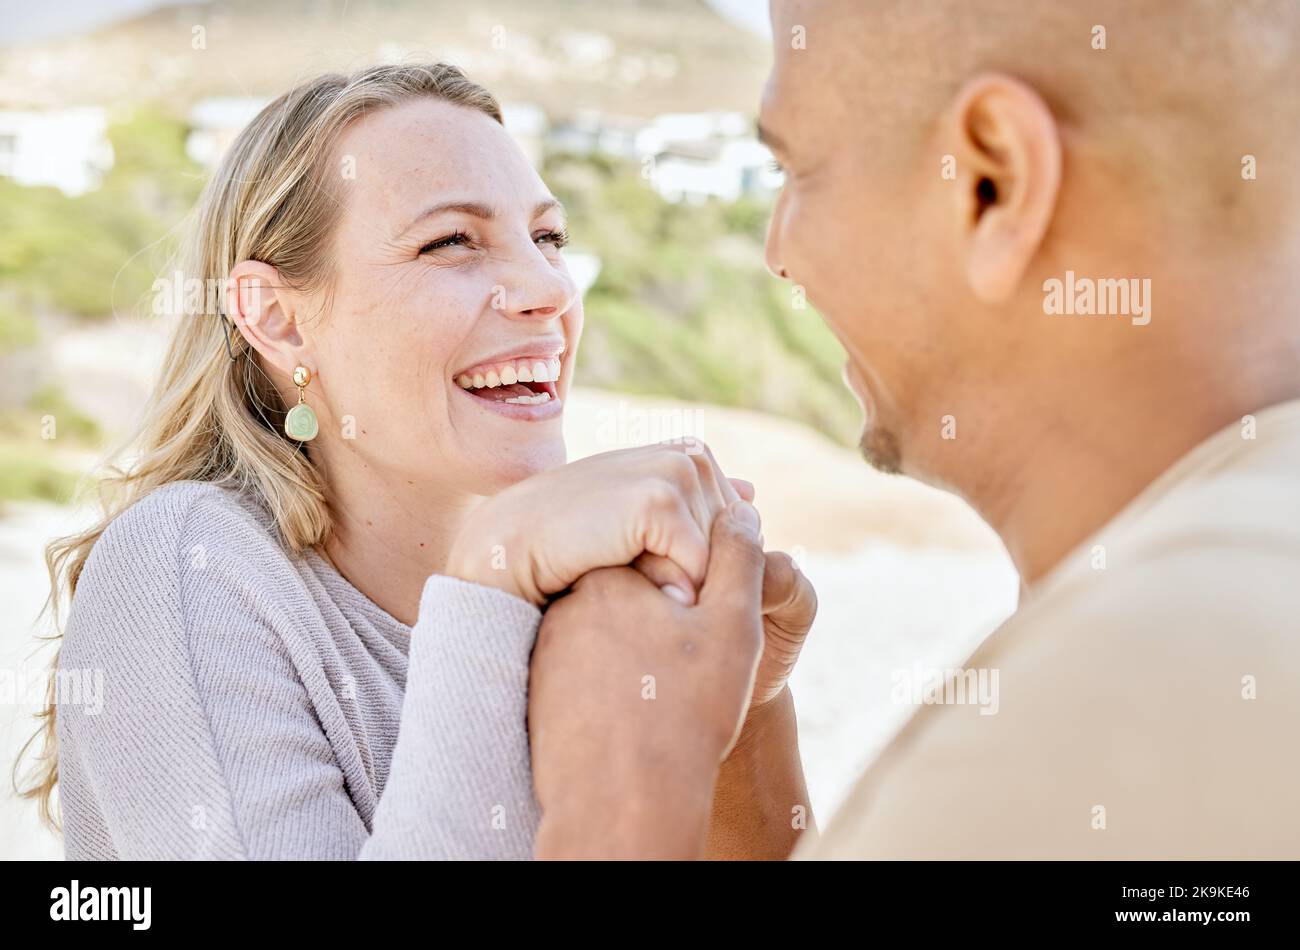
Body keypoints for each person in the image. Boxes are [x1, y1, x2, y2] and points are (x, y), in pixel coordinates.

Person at [527, 0, 1300, 859]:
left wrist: (621, 797)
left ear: (991, 185)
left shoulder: (1117, 700)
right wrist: (737, 734)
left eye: (797, 170)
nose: (779, 253)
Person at [16, 62, 813, 859]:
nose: (548, 290)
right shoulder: (186, 564)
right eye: (452, 242)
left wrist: (738, 710)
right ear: (280, 321)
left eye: (548, 239)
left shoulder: (576, 613)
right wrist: (490, 586)